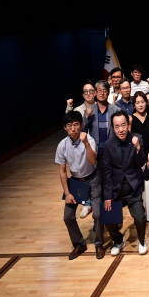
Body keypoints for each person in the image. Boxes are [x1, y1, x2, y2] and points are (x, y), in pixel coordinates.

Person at [56, 111, 104, 259]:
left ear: (81, 125)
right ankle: (79, 243)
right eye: (69, 125)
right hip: (76, 181)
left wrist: (86, 144)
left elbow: (93, 161)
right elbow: (62, 171)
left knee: (98, 214)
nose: (73, 129)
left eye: (76, 124)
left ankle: (99, 244)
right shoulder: (62, 145)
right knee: (67, 217)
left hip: (92, 178)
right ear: (65, 128)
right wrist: (67, 193)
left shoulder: (89, 139)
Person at [102, 111, 148, 255]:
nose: (121, 129)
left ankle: (142, 240)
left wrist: (138, 148)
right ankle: (118, 241)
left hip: (133, 187)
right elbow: (107, 172)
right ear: (113, 128)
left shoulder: (137, 138)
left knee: (140, 217)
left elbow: (141, 162)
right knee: (108, 217)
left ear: (128, 125)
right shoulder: (108, 144)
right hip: (116, 189)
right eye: (117, 127)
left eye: (123, 125)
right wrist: (108, 196)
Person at [130, 91, 149, 223]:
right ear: (134, 105)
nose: (140, 105)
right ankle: (140, 214)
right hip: (136, 158)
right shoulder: (131, 119)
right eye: (137, 102)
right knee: (139, 188)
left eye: (142, 102)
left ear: (146, 103)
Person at [82, 80, 120, 160]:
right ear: (95, 93)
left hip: (112, 153)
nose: (102, 93)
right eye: (99, 90)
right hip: (95, 153)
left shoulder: (116, 110)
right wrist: (86, 118)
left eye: (105, 91)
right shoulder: (89, 111)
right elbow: (83, 131)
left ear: (108, 92)